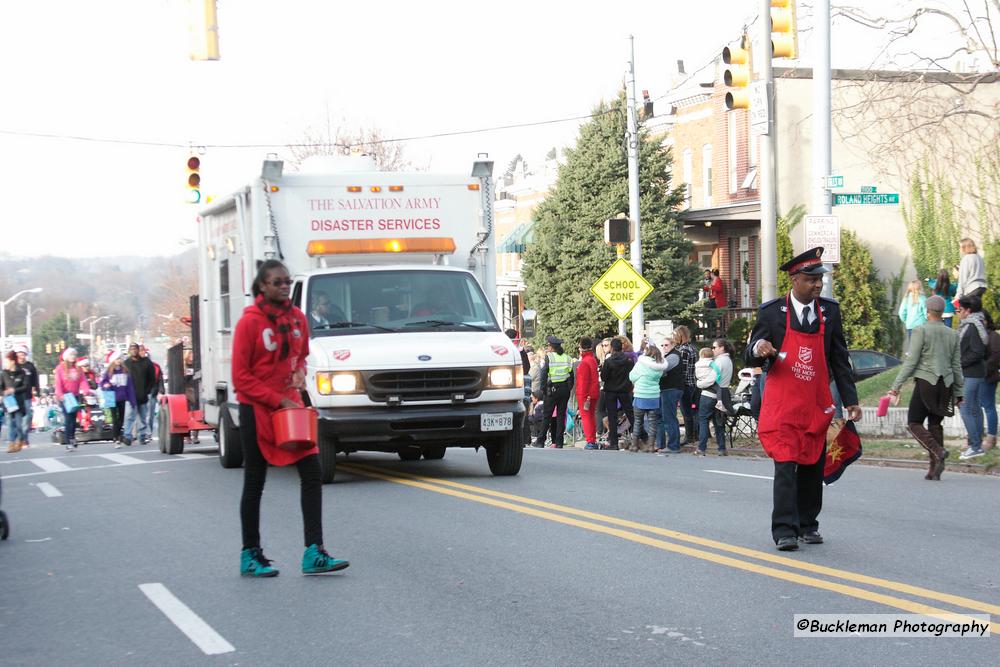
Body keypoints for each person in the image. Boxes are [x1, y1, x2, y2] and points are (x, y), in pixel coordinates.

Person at [232, 259, 349, 577]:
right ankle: (250, 554)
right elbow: (241, 378)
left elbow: (302, 354)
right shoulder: (249, 323)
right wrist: (276, 399)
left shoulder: (297, 318)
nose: (284, 286)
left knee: (312, 474)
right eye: (276, 282)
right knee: (255, 481)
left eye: (286, 281)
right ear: (262, 287)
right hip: (258, 410)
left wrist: (298, 373)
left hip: (291, 410)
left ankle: (314, 551)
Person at [745, 247, 860, 552]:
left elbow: (839, 360)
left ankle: (808, 524)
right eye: (811, 279)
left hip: (815, 402)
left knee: (812, 464)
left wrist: (851, 400)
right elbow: (750, 350)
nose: (818, 285)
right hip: (783, 405)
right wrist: (760, 348)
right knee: (785, 464)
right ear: (794, 280)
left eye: (819, 279)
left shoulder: (830, 312)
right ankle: (784, 530)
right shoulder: (771, 312)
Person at [888, 295, 963, 480]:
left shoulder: (920, 331)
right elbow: (956, 365)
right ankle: (934, 467)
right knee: (935, 424)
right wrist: (960, 392)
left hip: (925, 382)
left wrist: (896, 386)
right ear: (941, 312)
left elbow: (911, 361)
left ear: (927, 311)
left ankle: (938, 451)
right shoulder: (953, 334)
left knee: (914, 423)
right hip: (945, 385)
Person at [956, 294, 989, 460]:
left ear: (967, 311)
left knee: (965, 408)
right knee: (974, 409)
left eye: (959, 309)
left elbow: (977, 351)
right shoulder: (976, 324)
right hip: (974, 373)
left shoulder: (972, 326)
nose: (957, 312)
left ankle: (975, 445)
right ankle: (977, 445)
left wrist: (959, 363)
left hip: (971, 373)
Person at [628, 344, 671, 452]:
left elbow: (631, 376)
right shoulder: (659, 367)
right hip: (654, 397)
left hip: (640, 396)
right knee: (653, 423)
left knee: (638, 422)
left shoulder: (640, 364)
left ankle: (634, 445)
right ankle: (651, 446)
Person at [533, 335, 574, 449]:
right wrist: (569, 388)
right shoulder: (567, 357)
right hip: (564, 390)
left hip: (552, 390)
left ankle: (541, 441)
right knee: (561, 416)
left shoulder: (549, 357)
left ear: (551, 347)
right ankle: (559, 441)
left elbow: (544, 373)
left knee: (547, 416)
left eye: (548, 346)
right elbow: (571, 375)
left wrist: (543, 389)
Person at [694, 343, 731, 456]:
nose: (713, 350)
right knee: (719, 422)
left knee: (704, 420)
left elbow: (711, 379)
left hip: (708, 394)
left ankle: (701, 448)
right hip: (722, 394)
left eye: (715, 347)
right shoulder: (728, 360)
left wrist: (699, 384)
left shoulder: (718, 362)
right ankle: (722, 448)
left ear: (722, 348)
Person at [53, 348, 92, 451]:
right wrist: (60, 394)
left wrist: (86, 389)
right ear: (66, 357)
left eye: (74, 355)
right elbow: (58, 383)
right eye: (71, 355)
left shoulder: (78, 368)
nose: (73, 357)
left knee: (74, 419)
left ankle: (72, 437)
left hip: (74, 396)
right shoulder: (60, 368)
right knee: (68, 418)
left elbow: (82, 380)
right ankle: (68, 441)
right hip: (64, 396)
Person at [600, 338, 635, 451]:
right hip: (625, 390)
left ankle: (613, 442)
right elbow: (632, 374)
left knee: (612, 416)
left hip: (611, 391)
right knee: (630, 413)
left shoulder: (609, 361)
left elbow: (604, 377)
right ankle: (641, 436)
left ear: (612, 348)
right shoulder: (628, 360)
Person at [101, 349, 137, 448]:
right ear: (113, 360)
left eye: (120, 358)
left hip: (122, 397)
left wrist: (132, 399)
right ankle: (116, 438)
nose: (119, 361)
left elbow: (129, 386)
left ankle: (118, 436)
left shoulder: (125, 371)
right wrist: (106, 385)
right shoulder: (109, 371)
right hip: (111, 397)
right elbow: (102, 382)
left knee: (121, 419)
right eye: (117, 359)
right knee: (115, 419)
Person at [123, 342, 156, 445]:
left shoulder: (146, 362)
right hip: (130, 396)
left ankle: (142, 436)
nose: (134, 350)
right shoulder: (126, 363)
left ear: (138, 350)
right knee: (129, 417)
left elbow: (152, 378)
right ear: (129, 351)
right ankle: (127, 436)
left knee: (143, 417)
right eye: (131, 349)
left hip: (143, 395)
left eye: (135, 348)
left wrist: (147, 391)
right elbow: (123, 379)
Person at [657, 337, 685, 453]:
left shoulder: (673, 356)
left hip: (671, 389)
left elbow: (662, 369)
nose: (664, 347)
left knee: (669, 417)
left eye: (666, 345)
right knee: (668, 417)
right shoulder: (670, 355)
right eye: (662, 345)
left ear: (673, 345)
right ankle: (670, 444)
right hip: (670, 389)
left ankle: (673, 445)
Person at [673, 326, 700, 446]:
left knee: (686, 412)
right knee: (693, 411)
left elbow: (682, 370)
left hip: (685, 384)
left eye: (675, 336)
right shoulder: (693, 348)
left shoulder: (683, 350)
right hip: (694, 383)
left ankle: (689, 437)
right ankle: (696, 434)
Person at [575, 337, 599, 449]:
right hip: (593, 392)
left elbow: (583, 381)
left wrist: (583, 396)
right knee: (591, 416)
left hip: (585, 394)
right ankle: (592, 439)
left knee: (586, 417)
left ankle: (590, 440)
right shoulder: (592, 359)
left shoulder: (585, 362)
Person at [1, 352, 28, 453]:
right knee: (9, 423)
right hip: (8, 402)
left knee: (18, 424)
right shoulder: (4, 373)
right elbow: (1, 387)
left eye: (7, 361)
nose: (5, 363)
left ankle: (20, 440)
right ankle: (11, 443)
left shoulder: (22, 373)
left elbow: (25, 387)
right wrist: (3, 393)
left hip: (18, 402)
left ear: (12, 361)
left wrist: (14, 390)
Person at [14, 345, 39, 449]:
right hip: (15, 396)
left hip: (27, 395)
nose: (21, 355)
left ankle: (25, 439)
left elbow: (35, 379)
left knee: (27, 417)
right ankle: (20, 438)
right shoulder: (13, 366)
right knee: (18, 419)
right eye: (19, 353)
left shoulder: (30, 366)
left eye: (23, 353)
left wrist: (36, 389)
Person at [982, 312, 1000, 451]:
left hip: (989, 376)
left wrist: (984, 370)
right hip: (977, 375)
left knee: (988, 406)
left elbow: (995, 357)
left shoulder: (993, 336)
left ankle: (991, 435)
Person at [898, 280, 928, 348]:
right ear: (920, 287)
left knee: (912, 348)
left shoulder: (906, 299)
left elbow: (901, 313)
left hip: (910, 325)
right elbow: (926, 313)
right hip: (921, 326)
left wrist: (906, 321)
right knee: (922, 347)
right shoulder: (923, 298)